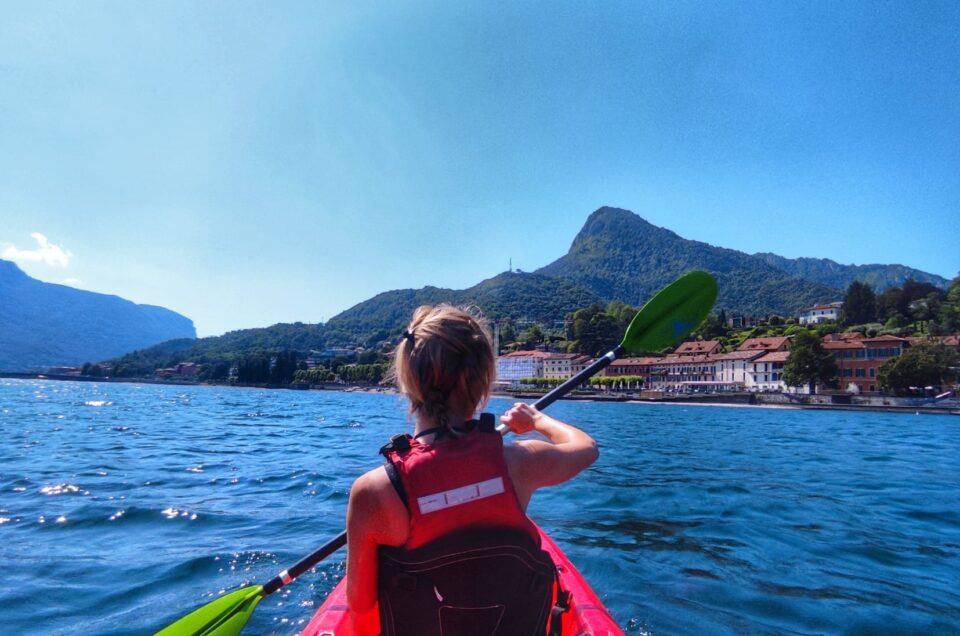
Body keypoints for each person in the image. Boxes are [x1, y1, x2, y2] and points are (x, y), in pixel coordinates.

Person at [345, 304, 599, 635]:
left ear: (409, 378)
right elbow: (587, 449)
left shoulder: (373, 491)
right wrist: (538, 421)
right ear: (479, 380)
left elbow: (361, 607)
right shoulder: (519, 463)